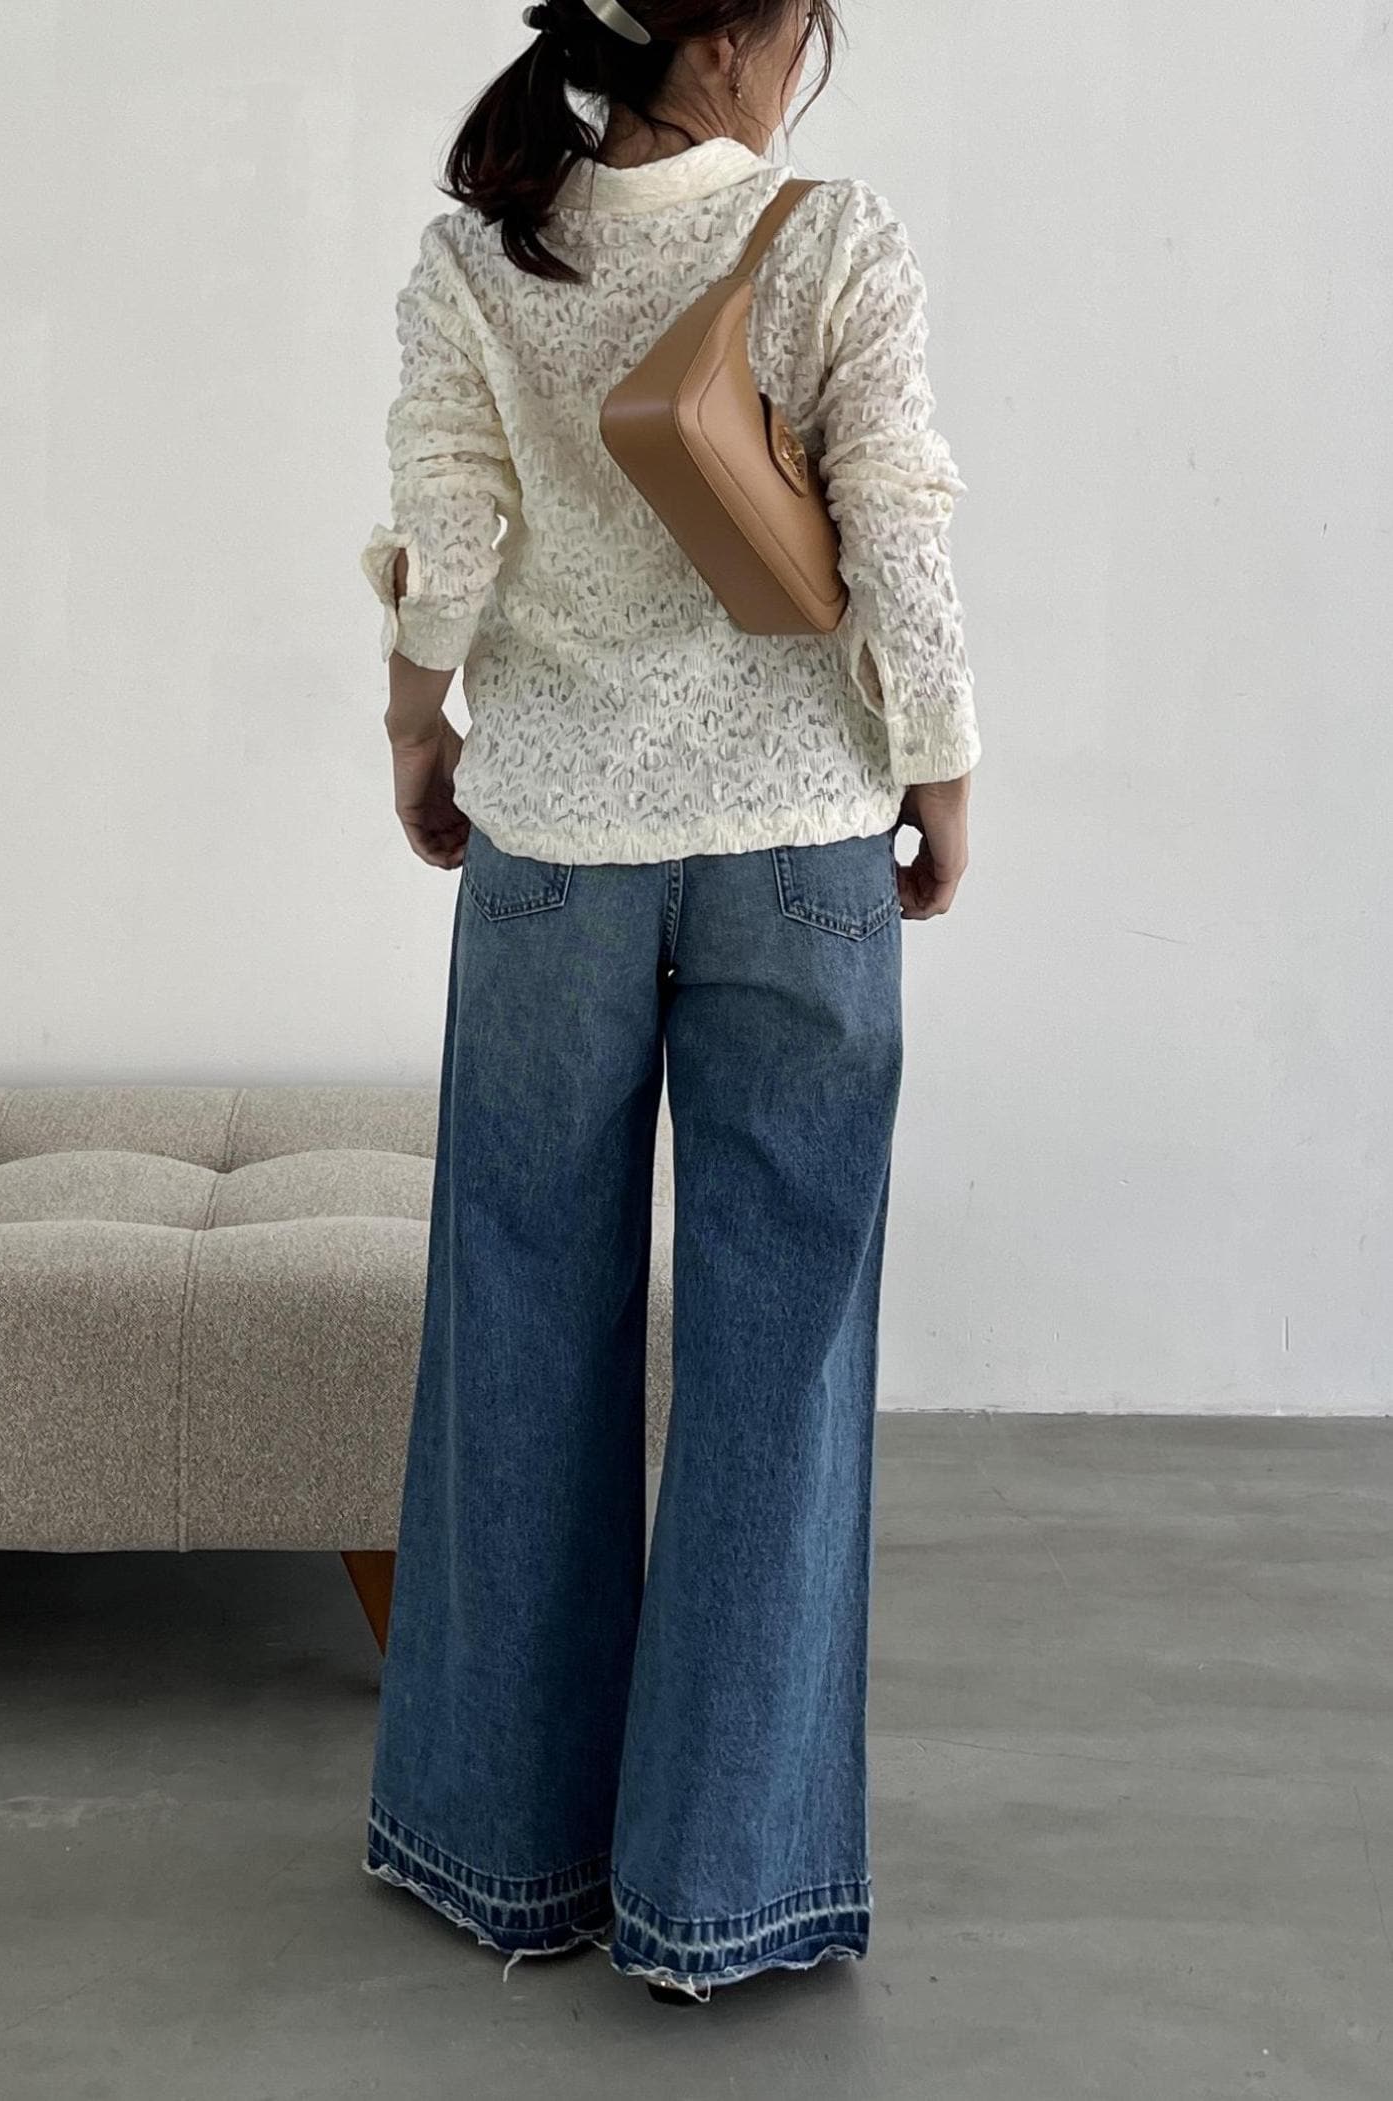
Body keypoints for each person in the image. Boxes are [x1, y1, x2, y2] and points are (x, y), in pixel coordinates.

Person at [356, 0, 980, 2007]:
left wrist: (417, 735)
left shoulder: (479, 258)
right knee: (778, 1356)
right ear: (729, 40)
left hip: (551, 852)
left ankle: (501, 1850)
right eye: (802, 28)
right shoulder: (833, 237)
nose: (809, 63)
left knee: (518, 1325)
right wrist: (941, 766)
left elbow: (446, 547)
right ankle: (728, 1887)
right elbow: (899, 528)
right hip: (803, 852)